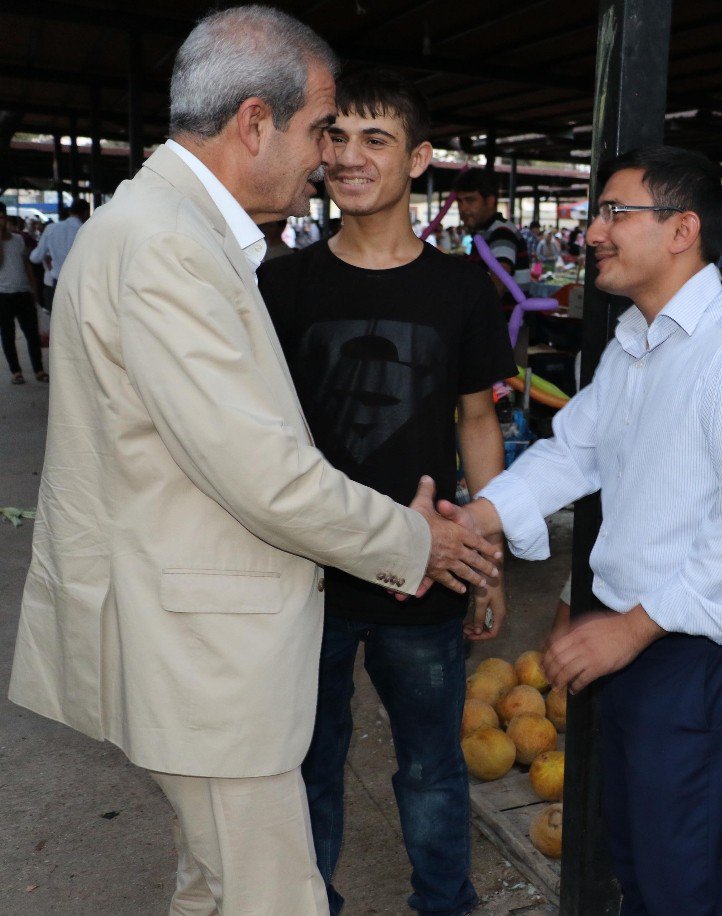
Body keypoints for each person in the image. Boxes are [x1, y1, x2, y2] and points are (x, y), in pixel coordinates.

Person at [7, 9, 501, 914]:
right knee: (274, 896)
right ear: (252, 123)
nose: (327, 157)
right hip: (204, 651)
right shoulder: (167, 249)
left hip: (200, 635)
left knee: (215, 885)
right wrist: (418, 542)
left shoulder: (172, 231)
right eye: (320, 129)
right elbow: (264, 474)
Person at [442, 145, 722, 914]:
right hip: (633, 644)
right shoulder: (631, 346)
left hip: (696, 655)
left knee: (677, 884)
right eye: (597, 212)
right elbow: (574, 454)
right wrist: (478, 516)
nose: (594, 231)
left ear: (681, 231)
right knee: (637, 860)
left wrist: (632, 626)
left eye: (615, 212)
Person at [258, 67, 515, 916]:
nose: (349, 156)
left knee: (434, 768)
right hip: (309, 574)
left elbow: (478, 422)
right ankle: (309, 904)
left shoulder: (459, 287)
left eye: (376, 139)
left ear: (420, 159)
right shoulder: (281, 284)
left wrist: (489, 557)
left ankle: (445, 902)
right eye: (335, 137)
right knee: (308, 766)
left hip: (429, 567)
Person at [454, 168, 530, 299]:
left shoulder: (501, 233)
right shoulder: (485, 233)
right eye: (460, 201)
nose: (463, 208)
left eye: (470, 200)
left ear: (489, 201)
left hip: (507, 320)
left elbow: (496, 287)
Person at [0, 203, 47, 384]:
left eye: (2, 217)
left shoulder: (18, 240)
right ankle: (16, 372)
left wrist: (34, 289)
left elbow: (26, 266)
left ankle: (39, 370)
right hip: (3, 295)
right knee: (8, 335)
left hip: (23, 293)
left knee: (32, 334)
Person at [29, 197, 89, 295]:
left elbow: (35, 257)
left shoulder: (51, 229)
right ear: (86, 213)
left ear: (70, 211)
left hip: (58, 283)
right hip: (80, 284)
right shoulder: (86, 230)